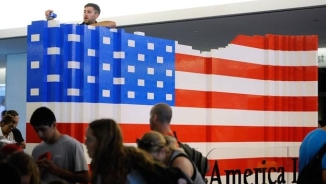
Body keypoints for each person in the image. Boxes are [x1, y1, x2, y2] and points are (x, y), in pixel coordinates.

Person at [29, 107, 89, 184]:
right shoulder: (37, 150)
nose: (39, 134)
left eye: (43, 130)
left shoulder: (73, 145)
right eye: (36, 131)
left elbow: (86, 178)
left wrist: (56, 170)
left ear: (54, 125)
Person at [137, 131, 205, 184]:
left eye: (153, 160)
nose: (151, 164)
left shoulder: (180, 163)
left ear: (163, 151)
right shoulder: (166, 161)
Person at [45, 3, 116, 28]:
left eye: (89, 12)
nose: (85, 14)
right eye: (84, 12)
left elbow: (112, 24)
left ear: (96, 15)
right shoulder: (78, 27)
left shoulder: (101, 28)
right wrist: (50, 19)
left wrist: (88, 27)